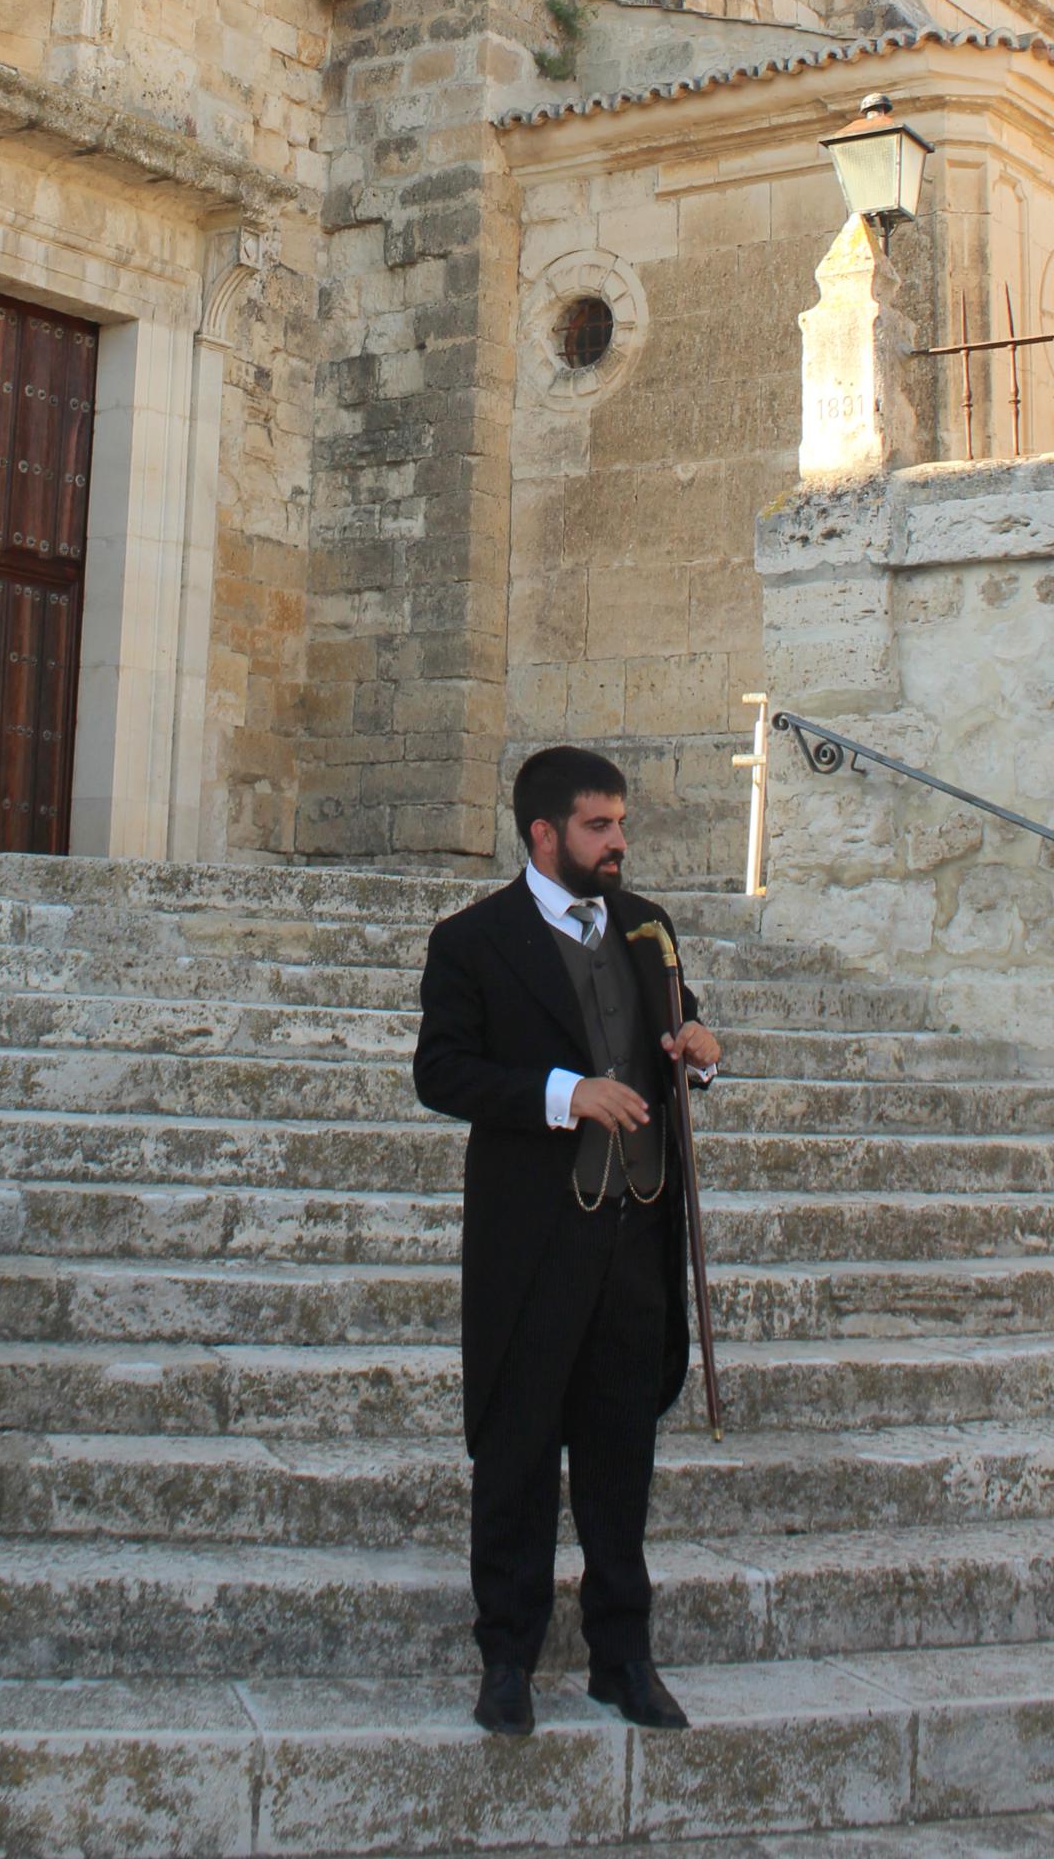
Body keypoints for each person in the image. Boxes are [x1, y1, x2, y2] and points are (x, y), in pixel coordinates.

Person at [412, 745, 722, 1741]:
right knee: (514, 1451)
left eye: (619, 823)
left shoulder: (647, 927)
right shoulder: (472, 941)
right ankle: (506, 1655)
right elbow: (442, 1072)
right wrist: (562, 1093)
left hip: (634, 1238)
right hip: (531, 1243)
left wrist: (699, 1050)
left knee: (619, 1451)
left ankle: (620, 1654)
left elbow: (674, 1025)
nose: (617, 841)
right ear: (543, 833)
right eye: (597, 825)